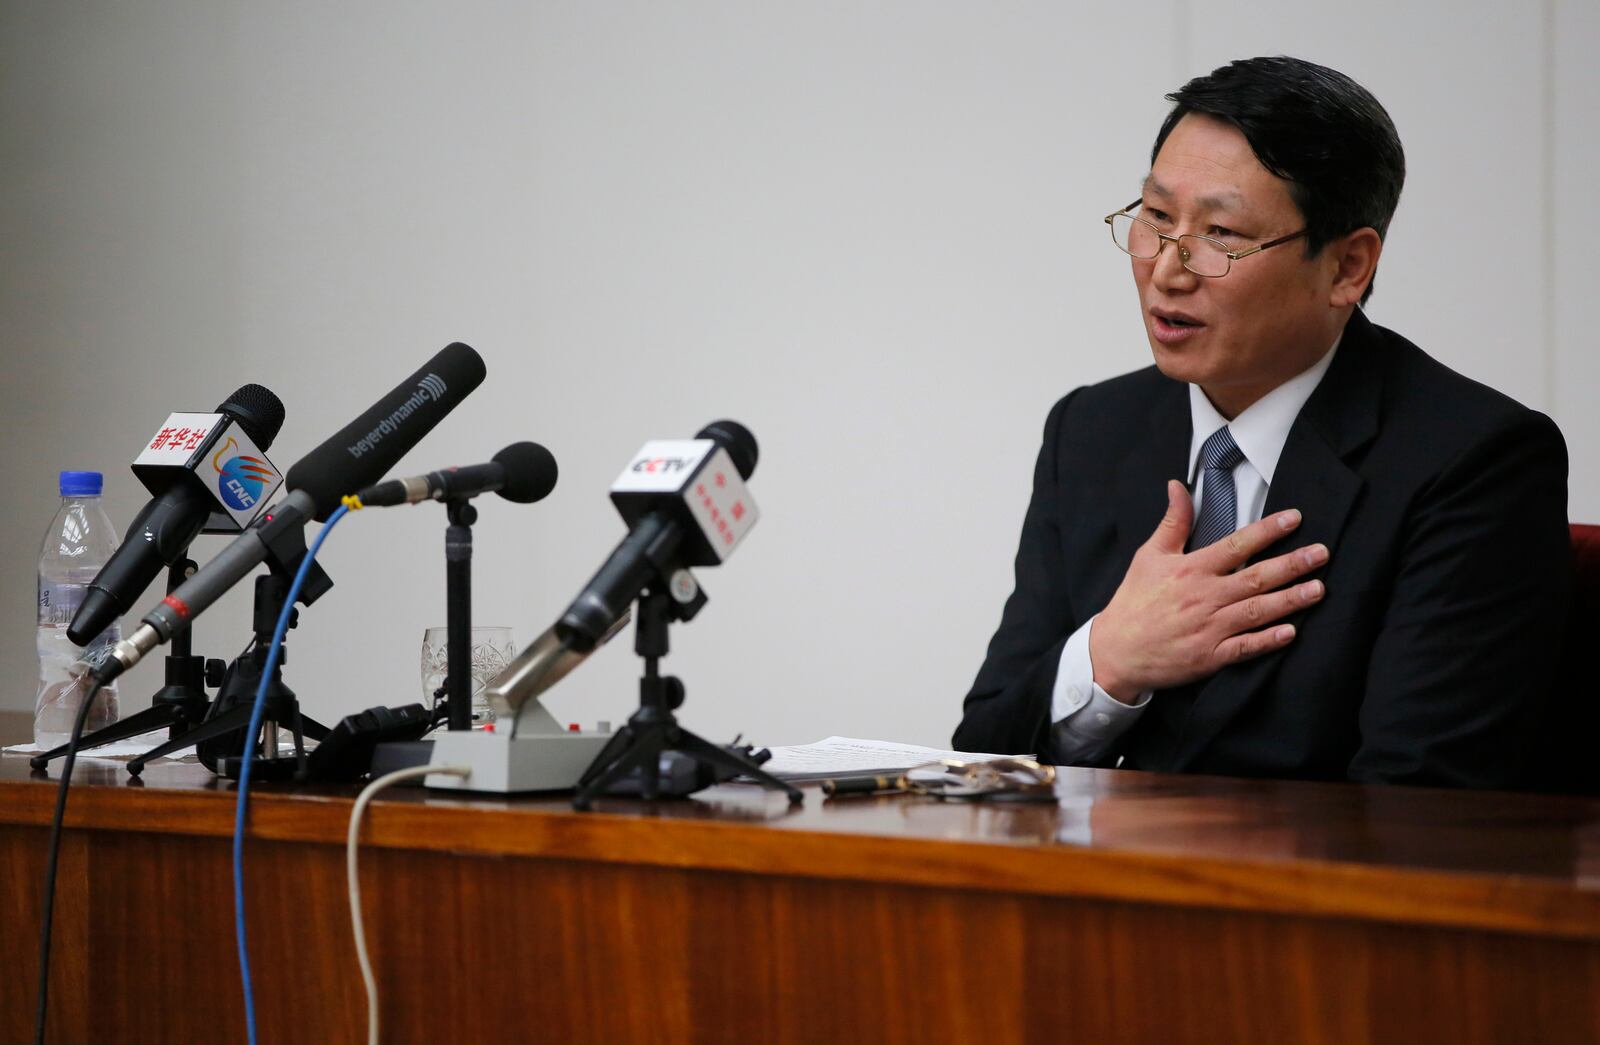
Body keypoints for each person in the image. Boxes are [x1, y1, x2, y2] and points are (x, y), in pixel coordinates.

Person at [953, 56, 1570, 789]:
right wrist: (1109, 659)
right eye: (1154, 217)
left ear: (1347, 267)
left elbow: (1421, 801)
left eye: (1220, 232)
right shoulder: (1092, 429)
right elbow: (983, 754)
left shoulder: (1473, 461)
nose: (1169, 269)